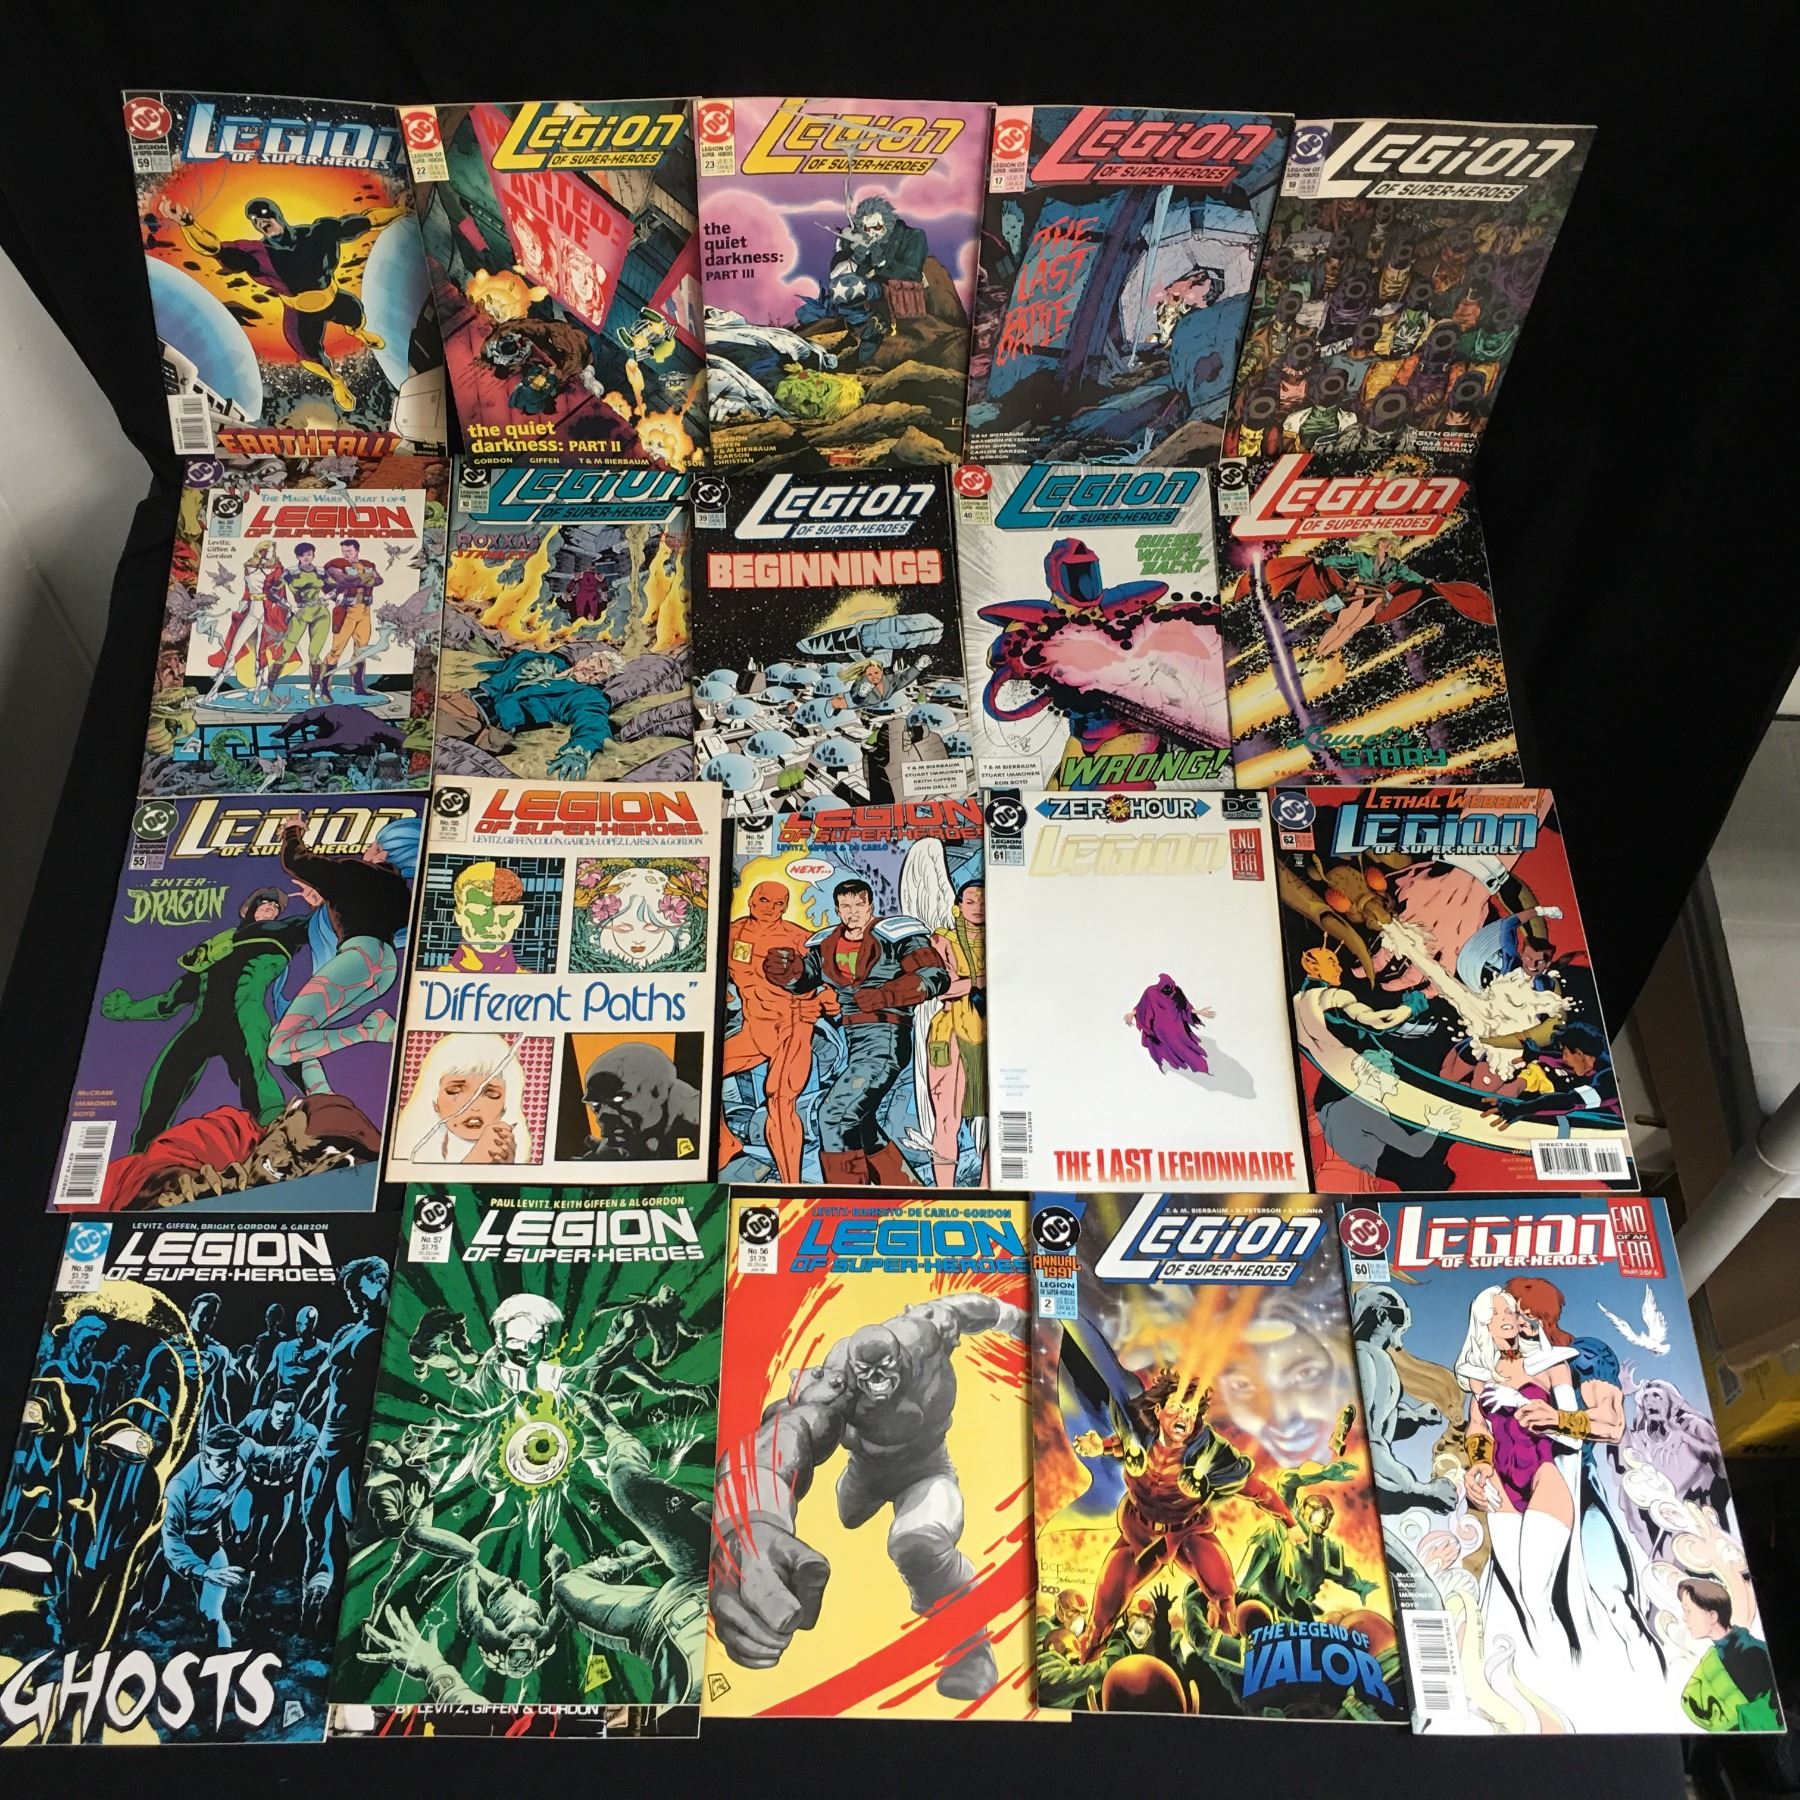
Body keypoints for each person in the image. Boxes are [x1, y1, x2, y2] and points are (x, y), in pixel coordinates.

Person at [762, 878, 950, 1186]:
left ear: (870, 906)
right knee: (862, 1125)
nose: (853, 912)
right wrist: (787, 971)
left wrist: (886, 995)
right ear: (838, 909)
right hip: (855, 1041)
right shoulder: (826, 944)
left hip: (887, 1039)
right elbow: (806, 978)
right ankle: (906, 1189)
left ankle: (846, 1196)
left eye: (859, 905)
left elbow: (934, 976)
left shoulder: (897, 935)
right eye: (845, 906)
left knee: (835, 1115)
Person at [391, 1032, 526, 1164]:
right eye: (455, 1091)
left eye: (490, 1094)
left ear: (506, 1103)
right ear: (434, 1100)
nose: (473, 1105)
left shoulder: (513, 1151)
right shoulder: (417, 1152)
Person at [1677, 1577, 1779, 1731]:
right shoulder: (1715, 1656)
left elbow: (1772, 1717)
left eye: (1689, 1610)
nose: (1684, 1618)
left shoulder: (1754, 1653)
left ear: (1713, 1616)